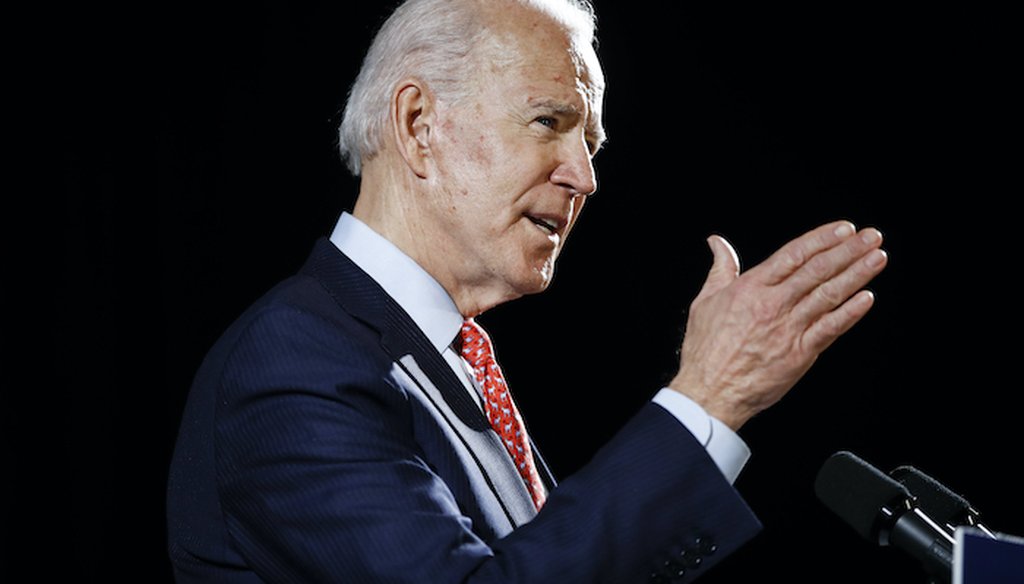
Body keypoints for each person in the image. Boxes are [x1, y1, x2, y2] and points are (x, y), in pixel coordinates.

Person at [165, 0, 888, 582]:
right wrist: (709, 397)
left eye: (591, 145)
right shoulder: (295, 363)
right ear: (418, 126)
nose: (584, 176)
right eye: (549, 122)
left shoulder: (446, 356)